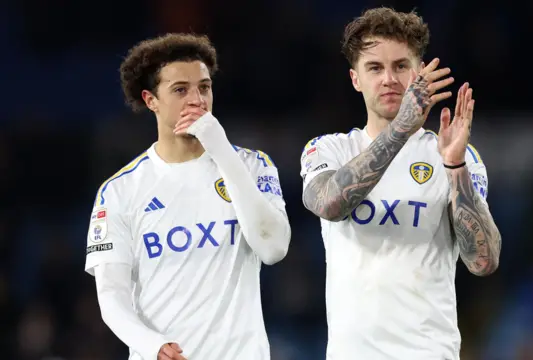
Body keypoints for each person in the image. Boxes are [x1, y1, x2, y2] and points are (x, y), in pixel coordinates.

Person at [299, 7, 502, 360]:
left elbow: (483, 262)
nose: (389, 79)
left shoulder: (455, 154)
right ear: (355, 79)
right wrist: (401, 128)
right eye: (375, 68)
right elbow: (330, 204)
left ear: (419, 72)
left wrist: (454, 166)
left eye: (401, 66)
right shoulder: (329, 149)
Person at [84, 33, 291, 360]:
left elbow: (274, 248)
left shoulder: (253, 165)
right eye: (180, 90)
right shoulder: (120, 191)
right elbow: (112, 297)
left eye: (204, 87)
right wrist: (152, 345)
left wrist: (220, 147)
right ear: (151, 99)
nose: (197, 99)